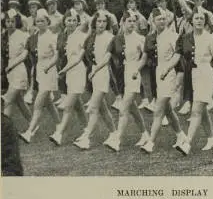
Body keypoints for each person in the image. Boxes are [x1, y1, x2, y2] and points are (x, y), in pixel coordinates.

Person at [139, 8, 187, 153]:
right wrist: (136, 69)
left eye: (164, 18)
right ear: (153, 22)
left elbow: (177, 56)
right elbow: (145, 57)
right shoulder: (150, 38)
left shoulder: (173, 36)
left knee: (159, 109)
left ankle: (150, 142)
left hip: (170, 74)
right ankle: (180, 135)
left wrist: (168, 69)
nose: (162, 21)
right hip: (157, 75)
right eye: (159, 19)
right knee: (167, 109)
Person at [175, 8, 213, 156]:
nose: (199, 21)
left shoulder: (212, 39)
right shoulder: (187, 38)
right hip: (192, 76)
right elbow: (179, 55)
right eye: (196, 18)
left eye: (202, 18)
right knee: (202, 109)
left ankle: (187, 143)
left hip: (206, 75)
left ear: (206, 22)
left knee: (196, 109)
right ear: (191, 21)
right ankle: (211, 138)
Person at [101, 10, 150, 151]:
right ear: (123, 22)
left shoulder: (139, 38)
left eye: (134, 21)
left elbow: (144, 57)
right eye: (129, 21)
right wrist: (97, 69)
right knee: (132, 108)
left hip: (134, 75)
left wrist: (138, 69)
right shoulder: (116, 38)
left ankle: (117, 140)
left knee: (123, 108)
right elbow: (107, 56)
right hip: (121, 76)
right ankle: (145, 135)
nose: (132, 24)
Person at [72, 11, 117, 150]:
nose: (101, 24)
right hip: (93, 75)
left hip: (103, 74)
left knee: (93, 107)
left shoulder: (111, 37)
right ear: (94, 23)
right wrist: (67, 68)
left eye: (104, 21)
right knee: (102, 108)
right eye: (99, 21)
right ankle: (114, 133)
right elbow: (80, 56)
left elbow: (106, 59)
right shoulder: (90, 37)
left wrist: (96, 70)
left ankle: (86, 138)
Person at [19, 9, 61, 143]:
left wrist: (49, 66)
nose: (40, 23)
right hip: (39, 71)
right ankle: (60, 127)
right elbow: (27, 54)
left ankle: (29, 132)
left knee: (38, 103)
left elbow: (56, 55)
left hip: (50, 71)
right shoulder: (35, 37)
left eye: (43, 21)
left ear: (47, 22)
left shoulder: (52, 36)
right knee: (48, 102)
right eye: (38, 21)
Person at [50, 9, 89, 146]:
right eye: (68, 20)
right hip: (68, 74)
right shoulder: (63, 36)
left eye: (74, 20)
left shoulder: (81, 36)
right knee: (78, 106)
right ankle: (87, 131)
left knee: (68, 106)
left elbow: (78, 59)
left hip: (78, 72)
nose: (71, 23)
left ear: (77, 22)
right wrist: (49, 67)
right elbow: (58, 55)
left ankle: (58, 134)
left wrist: (64, 70)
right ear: (64, 21)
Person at [1, 9, 32, 121]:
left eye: (12, 21)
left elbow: (23, 55)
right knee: (20, 102)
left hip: (19, 70)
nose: (10, 24)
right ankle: (33, 125)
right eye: (8, 21)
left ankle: (5, 130)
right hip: (9, 73)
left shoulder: (22, 36)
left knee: (8, 100)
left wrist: (11, 66)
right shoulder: (3, 36)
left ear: (17, 22)